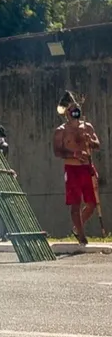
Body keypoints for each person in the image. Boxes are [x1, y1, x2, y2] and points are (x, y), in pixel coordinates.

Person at [53, 91, 101, 245]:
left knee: (92, 204)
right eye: (72, 108)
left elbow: (97, 144)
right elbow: (57, 151)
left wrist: (90, 141)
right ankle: (81, 235)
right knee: (75, 204)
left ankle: (77, 227)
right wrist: (74, 153)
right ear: (67, 112)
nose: (75, 111)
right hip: (72, 170)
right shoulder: (60, 130)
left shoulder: (87, 126)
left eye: (76, 108)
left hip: (87, 167)